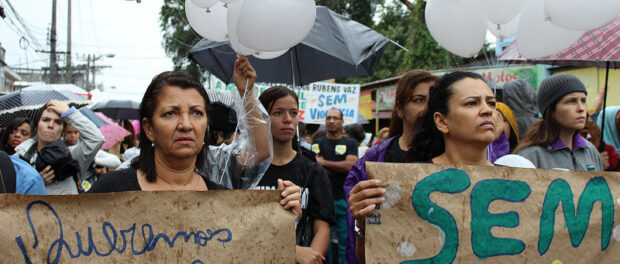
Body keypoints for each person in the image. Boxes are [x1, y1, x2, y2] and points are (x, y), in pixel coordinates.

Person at [345, 70, 439, 263]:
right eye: (419, 100)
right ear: (399, 108)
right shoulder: (371, 161)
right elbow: (354, 223)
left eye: (433, 100)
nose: (427, 107)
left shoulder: (454, 154)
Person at [257, 86, 335, 264]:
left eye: (293, 113)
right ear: (262, 118)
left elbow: (322, 228)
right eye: (278, 113)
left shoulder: (314, 172)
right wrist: (290, 251)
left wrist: (310, 257)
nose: (288, 120)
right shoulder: (248, 172)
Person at [14, 100, 105, 194]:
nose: (50, 125)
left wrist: (70, 114)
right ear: (36, 126)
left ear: (63, 131)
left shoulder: (73, 156)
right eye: (45, 120)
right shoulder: (20, 158)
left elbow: (97, 139)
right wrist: (36, 183)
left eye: (58, 122)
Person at [515, 74, 603, 171]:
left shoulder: (590, 151)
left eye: (583, 101)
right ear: (551, 110)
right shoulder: (531, 156)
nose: (581, 108)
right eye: (571, 101)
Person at [312, 107, 358, 264]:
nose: (331, 121)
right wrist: (339, 166)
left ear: (342, 121)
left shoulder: (350, 143)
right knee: (325, 243)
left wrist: (324, 163)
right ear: (325, 121)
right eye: (328, 118)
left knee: (345, 241)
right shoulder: (317, 143)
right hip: (323, 201)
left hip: (343, 200)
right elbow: (318, 171)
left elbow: (350, 166)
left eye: (335, 118)